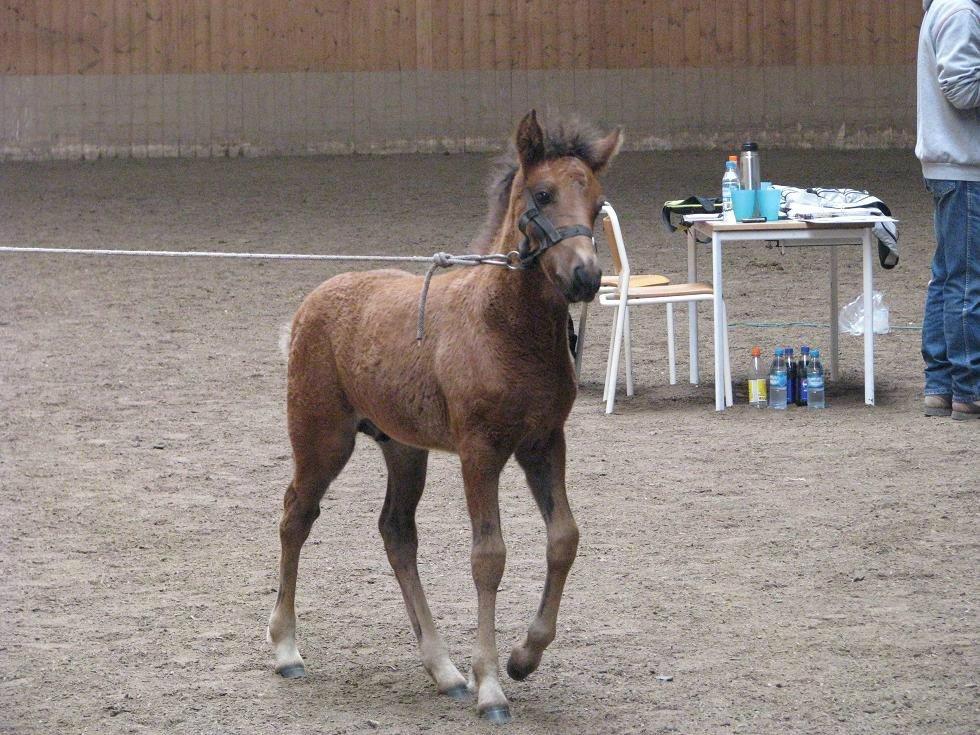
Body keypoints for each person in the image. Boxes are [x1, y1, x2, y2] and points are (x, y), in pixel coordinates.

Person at [916, 0, 980, 420]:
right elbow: (962, 89)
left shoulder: (944, 6)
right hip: (964, 167)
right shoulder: (962, 12)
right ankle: (969, 389)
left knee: (947, 277)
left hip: (949, 165)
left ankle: (940, 385)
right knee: (968, 281)